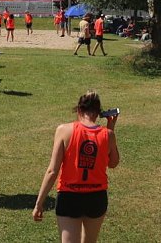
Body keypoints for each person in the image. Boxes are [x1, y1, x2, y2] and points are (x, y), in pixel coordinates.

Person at [33, 90, 120, 243]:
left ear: (79, 110)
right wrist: (111, 128)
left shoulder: (64, 130)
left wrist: (39, 203)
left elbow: (52, 171)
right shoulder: (108, 134)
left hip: (69, 196)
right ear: (99, 112)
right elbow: (113, 163)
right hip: (97, 197)